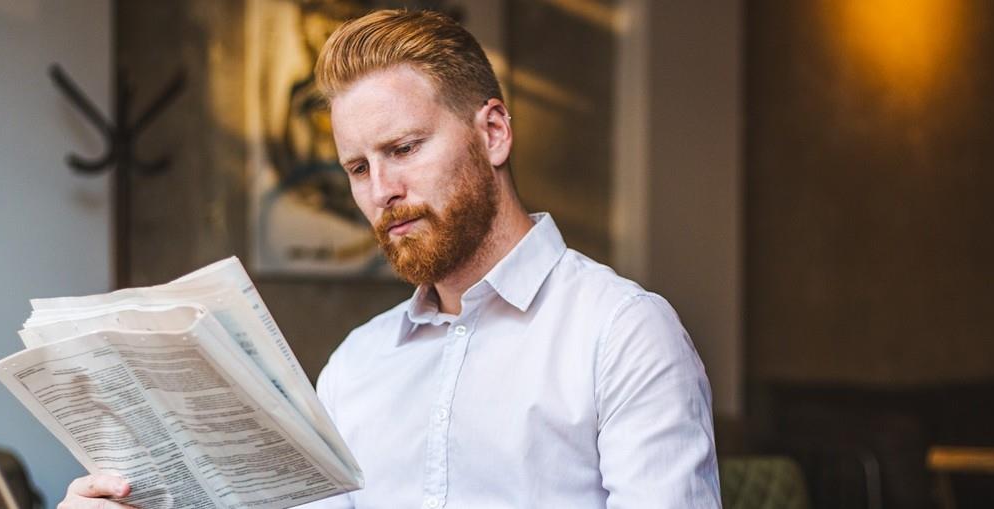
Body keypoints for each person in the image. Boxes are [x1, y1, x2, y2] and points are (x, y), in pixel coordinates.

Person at [61, 9, 720, 509]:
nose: (382, 191)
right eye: (357, 166)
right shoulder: (355, 366)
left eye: (404, 148)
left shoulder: (623, 333)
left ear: (493, 133)